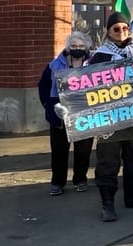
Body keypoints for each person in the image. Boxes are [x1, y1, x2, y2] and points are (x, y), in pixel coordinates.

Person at [88, 12, 133, 222]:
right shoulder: (100, 55)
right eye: (116, 29)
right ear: (108, 32)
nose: (121, 32)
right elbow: (87, 87)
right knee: (108, 162)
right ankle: (107, 203)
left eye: (125, 28)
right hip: (109, 119)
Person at [37, 31, 95, 196]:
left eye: (81, 46)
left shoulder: (94, 64)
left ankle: (80, 180)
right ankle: (57, 182)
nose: (77, 48)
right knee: (59, 151)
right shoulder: (54, 65)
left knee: (83, 150)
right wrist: (50, 105)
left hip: (85, 115)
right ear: (68, 47)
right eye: (74, 45)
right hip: (60, 116)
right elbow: (43, 86)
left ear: (86, 47)